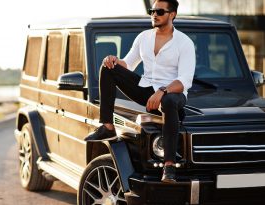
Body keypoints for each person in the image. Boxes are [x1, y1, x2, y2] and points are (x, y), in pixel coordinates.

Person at [84, 0, 196, 183]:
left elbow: (185, 81)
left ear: (172, 14)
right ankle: (107, 126)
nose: (154, 14)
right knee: (107, 68)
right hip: (146, 89)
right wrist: (114, 60)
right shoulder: (144, 37)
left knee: (168, 102)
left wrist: (162, 91)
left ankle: (169, 166)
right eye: (152, 11)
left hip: (173, 95)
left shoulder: (184, 43)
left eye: (160, 11)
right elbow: (129, 63)